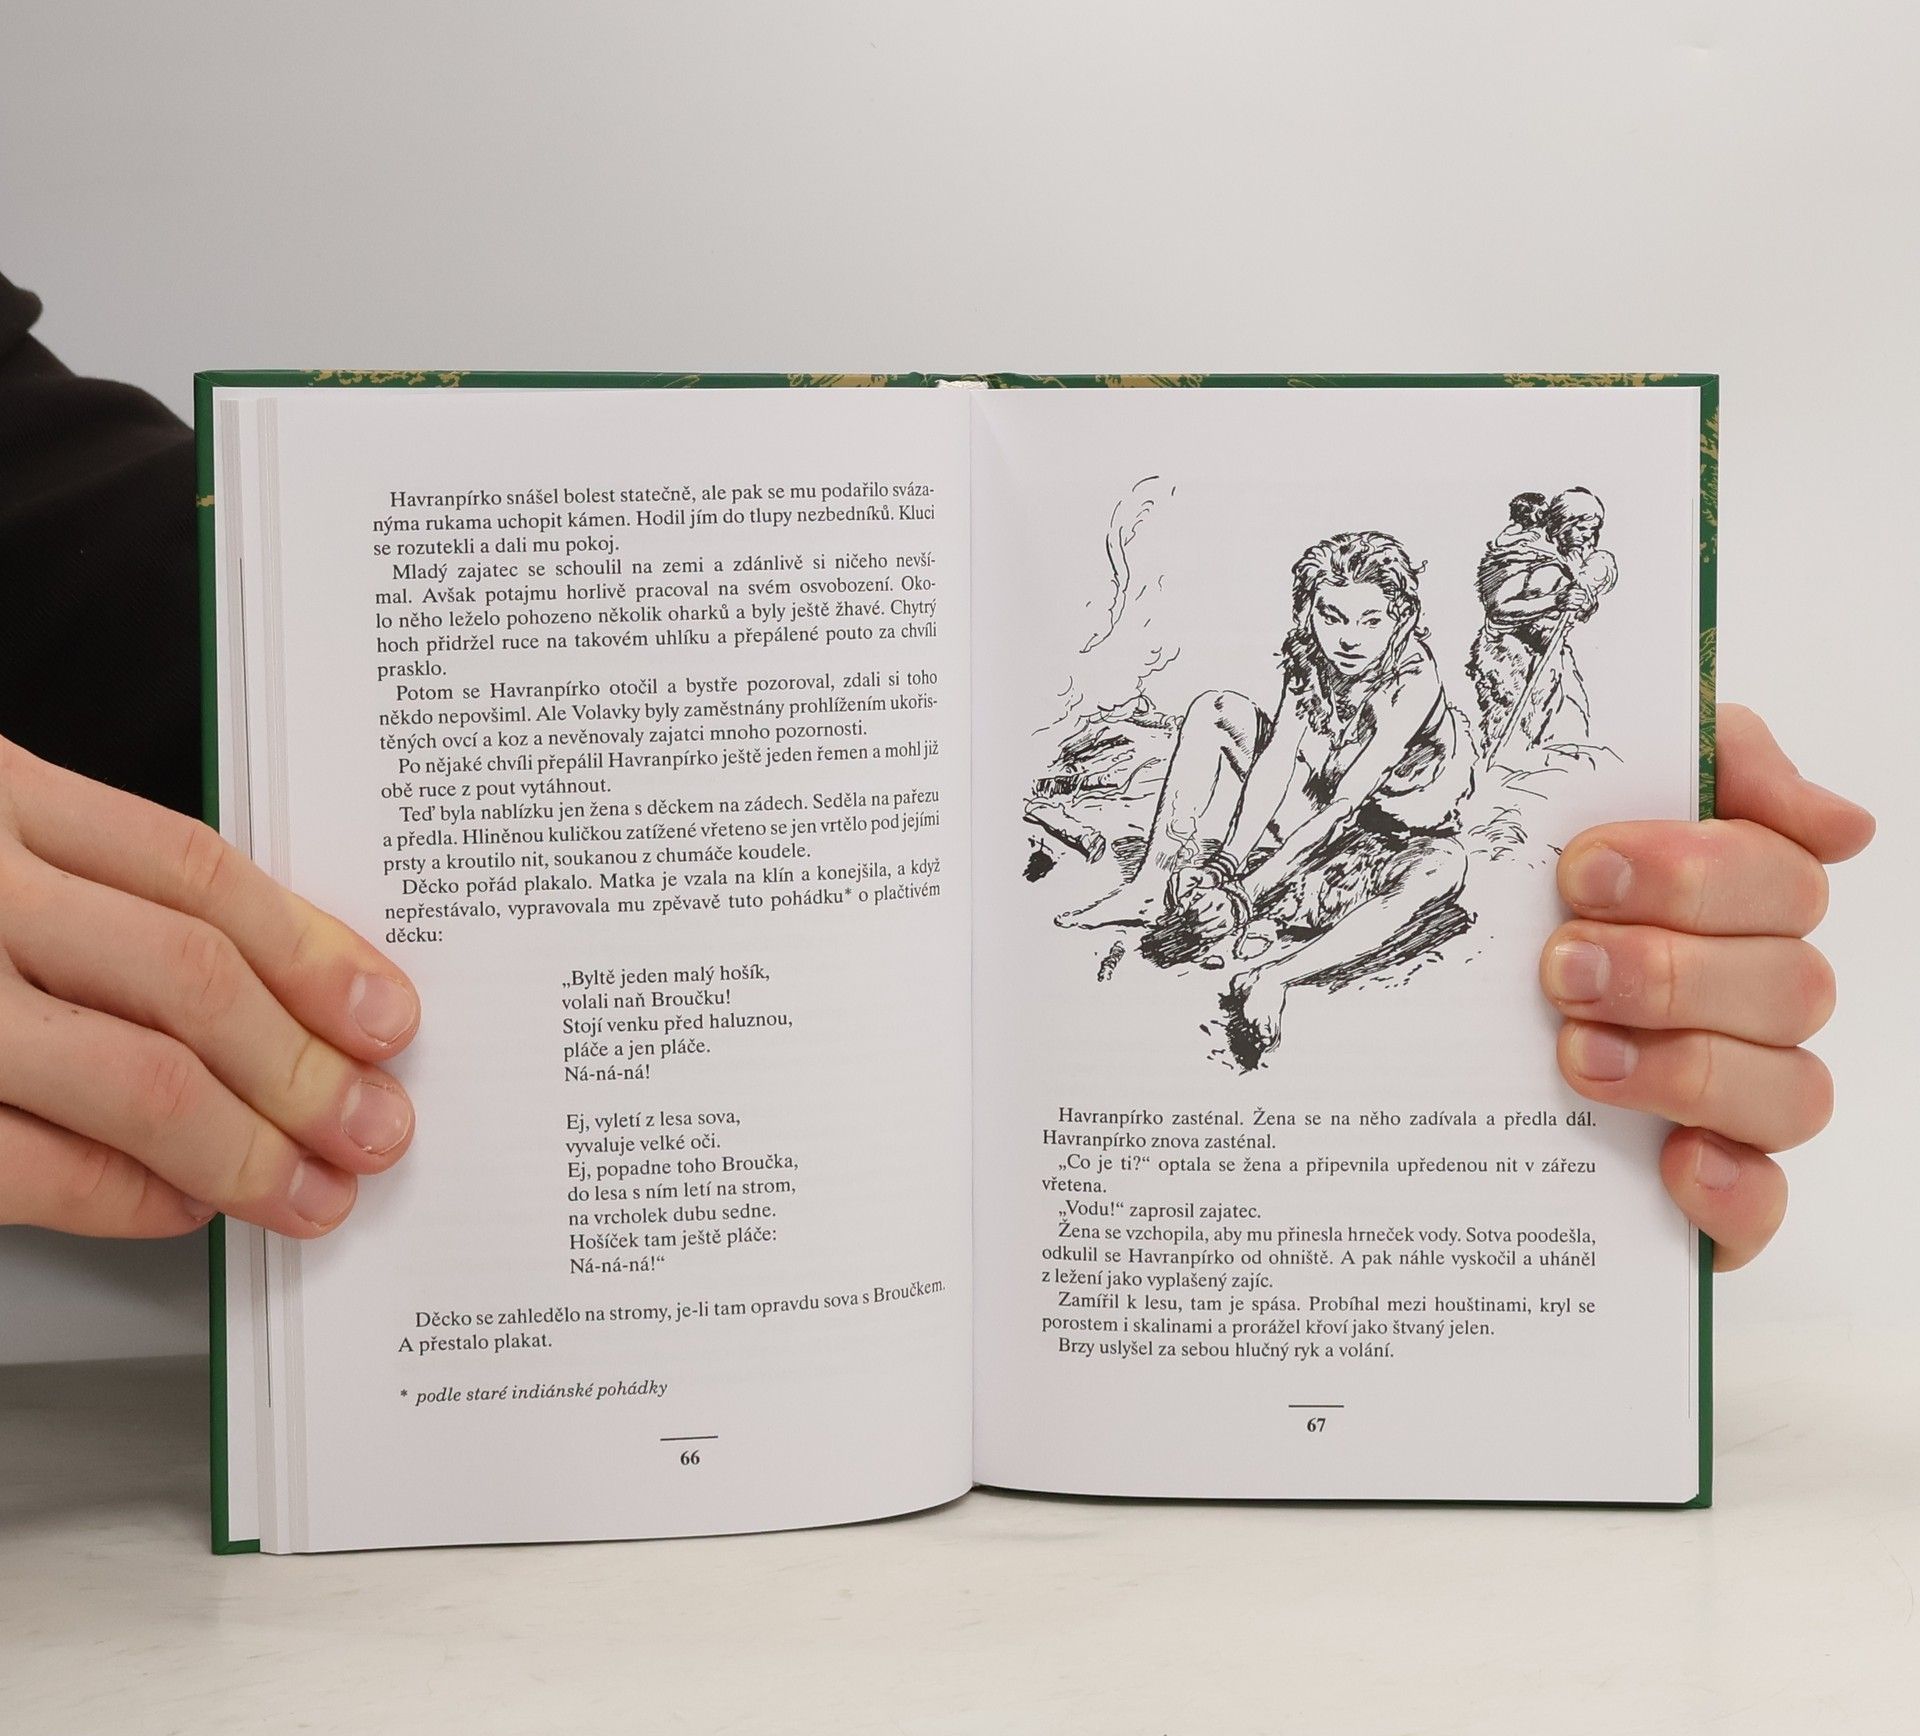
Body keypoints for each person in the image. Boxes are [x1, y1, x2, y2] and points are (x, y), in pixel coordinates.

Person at [0, 275, 1875, 1270]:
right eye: (1334, 608)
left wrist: (1569, 943)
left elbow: (56, 554)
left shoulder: (1433, 694)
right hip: (1244, 859)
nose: (1348, 629)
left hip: (1353, 868)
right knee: (1207, 780)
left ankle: (1238, 958)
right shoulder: (1297, 675)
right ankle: (1184, 918)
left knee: (1376, 885)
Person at [1058, 529, 1475, 1066]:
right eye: (1332, 617)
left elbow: (1346, 804)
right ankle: (1148, 886)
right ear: (1307, 613)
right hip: (1316, 808)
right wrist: (1226, 864)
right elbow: (1276, 763)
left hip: (1390, 835)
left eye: (1371, 621)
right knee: (1217, 709)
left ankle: (1276, 977)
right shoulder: (1308, 657)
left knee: (1446, 865)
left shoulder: (1413, 678)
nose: (1349, 639)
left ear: (1401, 619)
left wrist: (1244, 895)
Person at [1468, 485, 1618, 758]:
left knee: (1570, 721)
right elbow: (1500, 609)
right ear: (1562, 524)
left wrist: (1584, 599)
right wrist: (1557, 600)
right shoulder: (1522, 552)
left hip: (1552, 651)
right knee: (1514, 736)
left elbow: (1580, 609)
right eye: (1581, 527)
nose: (1588, 535)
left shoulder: (1572, 556)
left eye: (1593, 529)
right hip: (1509, 654)